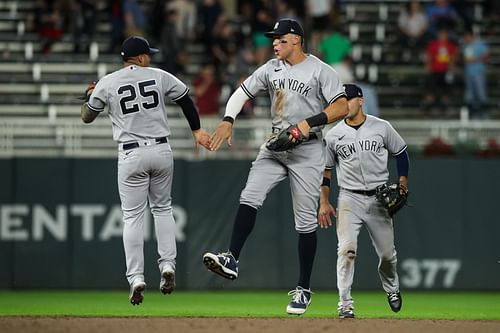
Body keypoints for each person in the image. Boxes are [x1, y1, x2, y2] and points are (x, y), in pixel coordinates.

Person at [202, 18, 348, 315]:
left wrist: (308, 124)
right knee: (249, 196)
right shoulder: (270, 68)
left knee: (305, 223)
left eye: (280, 39)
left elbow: (341, 106)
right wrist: (228, 119)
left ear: (296, 39)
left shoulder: (320, 70)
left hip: (307, 149)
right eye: (274, 39)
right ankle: (232, 258)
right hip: (276, 143)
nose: (274, 43)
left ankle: (303, 289)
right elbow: (242, 92)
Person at [80, 36, 211, 305]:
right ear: (139, 57)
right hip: (161, 150)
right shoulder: (158, 75)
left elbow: (87, 117)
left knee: (132, 218)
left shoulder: (108, 82)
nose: (149, 57)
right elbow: (186, 98)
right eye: (147, 54)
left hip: (131, 153)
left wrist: (90, 97)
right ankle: (168, 266)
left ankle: (136, 277)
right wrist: (196, 130)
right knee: (162, 209)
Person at [319, 84, 409, 319]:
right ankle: (345, 303)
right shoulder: (334, 134)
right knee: (346, 250)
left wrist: (402, 181)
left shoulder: (381, 127)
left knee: (388, 255)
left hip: (379, 197)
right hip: (349, 198)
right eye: (341, 101)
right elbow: (326, 171)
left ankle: (392, 289)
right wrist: (324, 201)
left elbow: (401, 152)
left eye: (347, 100)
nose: (344, 105)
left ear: (360, 100)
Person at [462, 28, 490, 119]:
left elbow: (486, 54)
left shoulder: (480, 44)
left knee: (481, 93)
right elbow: (466, 59)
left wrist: (476, 60)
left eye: (467, 37)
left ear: (472, 36)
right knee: (470, 95)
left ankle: (484, 114)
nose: (466, 39)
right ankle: (473, 114)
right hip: (469, 73)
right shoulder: (466, 47)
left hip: (478, 72)